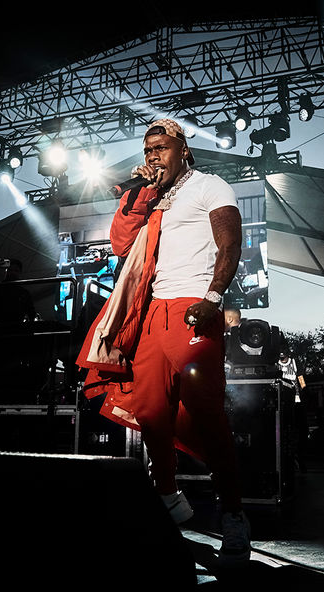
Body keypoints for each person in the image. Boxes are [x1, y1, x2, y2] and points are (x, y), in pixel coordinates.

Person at [77, 118, 250, 565]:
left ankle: (233, 514)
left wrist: (214, 298)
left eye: (161, 147)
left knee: (207, 415)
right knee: (151, 412)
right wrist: (138, 196)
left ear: (183, 150)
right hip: (154, 312)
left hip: (195, 307)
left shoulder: (211, 186)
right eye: (148, 149)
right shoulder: (153, 200)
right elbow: (120, 244)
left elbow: (231, 245)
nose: (153, 155)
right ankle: (169, 498)